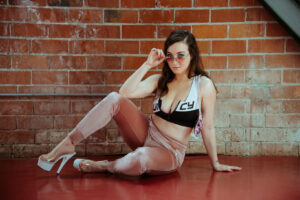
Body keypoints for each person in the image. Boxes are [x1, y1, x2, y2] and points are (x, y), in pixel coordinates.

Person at [37, 30, 242, 176]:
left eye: (181, 55)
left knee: (142, 158)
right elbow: (125, 92)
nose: (175, 61)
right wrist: (147, 64)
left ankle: (105, 166)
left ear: (192, 56)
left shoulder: (203, 85)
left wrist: (215, 163)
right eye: (170, 56)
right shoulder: (159, 81)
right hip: (145, 134)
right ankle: (68, 144)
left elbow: (208, 127)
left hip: (169, 152)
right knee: (114, 98)